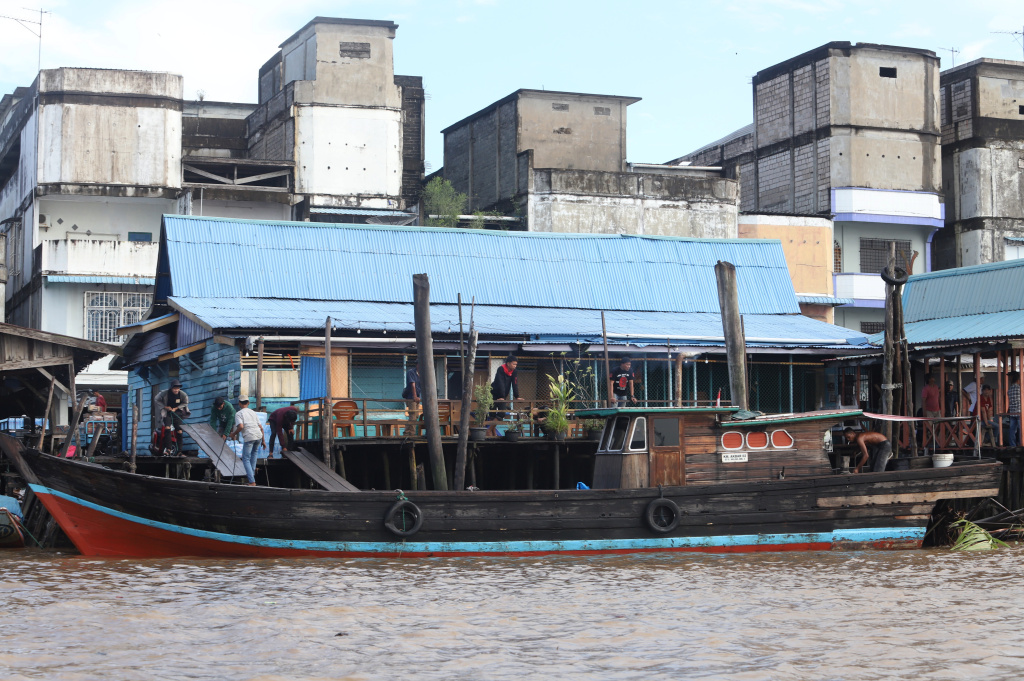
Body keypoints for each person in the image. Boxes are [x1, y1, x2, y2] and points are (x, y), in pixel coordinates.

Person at [229, 397, 265, 486]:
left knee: (246, 458)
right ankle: (251, 478)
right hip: (258, 436)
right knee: (253, 457)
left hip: (249, 436)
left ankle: (252, 481)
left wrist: (233, 434)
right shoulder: (253, 412)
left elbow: (240, 426)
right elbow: (261, 427)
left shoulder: (239, 414)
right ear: (248, 403)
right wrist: (263, 441)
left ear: (239, 403)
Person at [489, 355, 519, 436]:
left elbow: (515, 383)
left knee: (502, 412)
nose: (515, 366)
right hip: (494, 392)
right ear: (508, 363)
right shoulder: (501, 369)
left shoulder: (514, 371)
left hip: (503, 395)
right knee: (492, 413)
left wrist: (517, 396)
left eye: (516, 364)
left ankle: (489, 430)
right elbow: (500, 383)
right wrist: (501, 396)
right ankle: (493, 431)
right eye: (514, 364)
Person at [1008, 372, 1021, 448]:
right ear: (1018, 379)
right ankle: (1021, 443)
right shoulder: (1020, 389)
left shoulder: (1010, 390)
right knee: (1021, 429)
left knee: (1012, 430)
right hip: (1020, 412)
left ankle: (1012, 445)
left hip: (1012, 412)